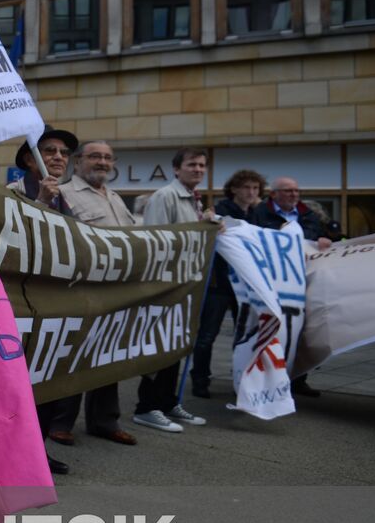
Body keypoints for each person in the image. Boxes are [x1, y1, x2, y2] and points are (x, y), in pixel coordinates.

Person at [42, 139, 139, 448]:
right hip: (80, 290)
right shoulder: (64, 194)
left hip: (115, 292)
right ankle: (61, 422)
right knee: (74, 355)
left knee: (108, 354)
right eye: (95, 156)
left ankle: (104, 420)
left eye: (108, 157)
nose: (102, 162)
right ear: (78, 162)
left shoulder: (116, 199)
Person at [5, 127, 78, 476]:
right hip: (19, 304)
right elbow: (11, 241)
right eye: (50, 151)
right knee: (15, 382)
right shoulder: (8, 195)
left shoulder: (69, 200)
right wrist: (42, 204)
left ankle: (37, 451)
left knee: (49, 379)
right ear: (27, 160)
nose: (58, 158)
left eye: (64, 153)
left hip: (54, 304)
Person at [134, 148, 210, 432]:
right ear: (176, 169)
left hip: (186, 283)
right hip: (167, 285)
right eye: (192, 164)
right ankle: (147, 407)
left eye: (202, 165)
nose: (198, 170)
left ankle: (168, 402)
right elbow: (157, 240)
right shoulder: (166, 196)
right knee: (159, 345)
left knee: (176, 346)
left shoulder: (194, 199)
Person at [248, 176, 332, 397]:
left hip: (301, 284)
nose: (294, 194)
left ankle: (296, 379)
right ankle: (262, 378)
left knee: (300, 332)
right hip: (273, 284)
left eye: (296, 190)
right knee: (269, 330)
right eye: (287, 191)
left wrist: (324, 239)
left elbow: (318, 239)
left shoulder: (309, 216)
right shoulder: (259, 214)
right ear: (273, 194)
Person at [190, 168, 264, 398]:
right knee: (207, 336)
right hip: (218, 284)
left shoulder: (255, 214)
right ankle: (200, 379)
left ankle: (239, 376)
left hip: (243, 285)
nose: (251, 192)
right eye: (246, 187)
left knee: (243, 336)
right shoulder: (221, 211)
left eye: (255, 188)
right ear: (234, 189)